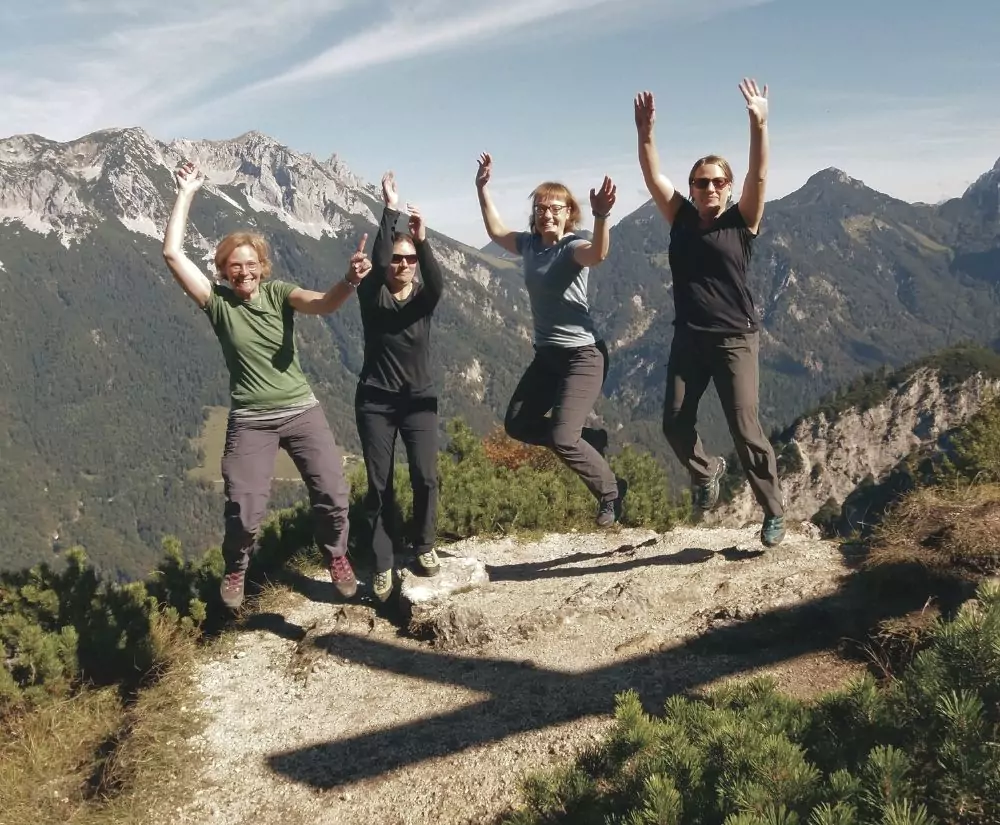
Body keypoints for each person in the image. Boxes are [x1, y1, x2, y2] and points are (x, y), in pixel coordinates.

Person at [162, 160, 371, 609]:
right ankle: (237, 566)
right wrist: (186, 193)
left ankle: (336, 556)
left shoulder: (279, 294)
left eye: (251, 264)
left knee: (333, 494)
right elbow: (173, 255)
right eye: (234, 266)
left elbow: (323, 303)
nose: (244, 271)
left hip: (302, 412)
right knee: (243, 508)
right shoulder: (216, 303)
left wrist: (350, 281)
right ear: (223, 270)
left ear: (263, 267)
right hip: (251, 421)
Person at [634, 78, 785, 547]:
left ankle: (773, 510)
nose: (711, 187)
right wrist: (645, 133)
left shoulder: (742, 221)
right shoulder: (680, 218)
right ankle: (705, 471)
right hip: (689, 338)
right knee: (674, 423)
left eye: (719, 181)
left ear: (729, 187)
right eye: (703, 182)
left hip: (735, 338)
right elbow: (652, 177)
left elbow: (759, 174)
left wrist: (760, 124)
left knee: (745, 427)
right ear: (692, 189)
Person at [475, 152, 627, 527]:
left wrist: (602, 216)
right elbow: (495, 231)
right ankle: (589, 440)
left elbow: (598, 253)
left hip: (583, 356)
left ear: (569, 213)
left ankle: (611, 492)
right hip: (547, 358)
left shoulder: (572, 247)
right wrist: (482, 189)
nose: (547, 214)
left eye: (556, 208)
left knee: (562, 437)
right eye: (541, 208)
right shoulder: (529, 245)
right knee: (518, 423)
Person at [354, 171, 444, 602]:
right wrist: (389, 209)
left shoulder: (424, 300)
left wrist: (422, 241)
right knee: (380, 485)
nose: (403, 265)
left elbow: (437, 281)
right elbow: (378, 255)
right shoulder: (372, 295)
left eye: (409, 259)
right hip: (375, 402)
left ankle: (424, 545)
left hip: (419, 402)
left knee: (426, 476)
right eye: (397, 259)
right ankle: (383, 562)